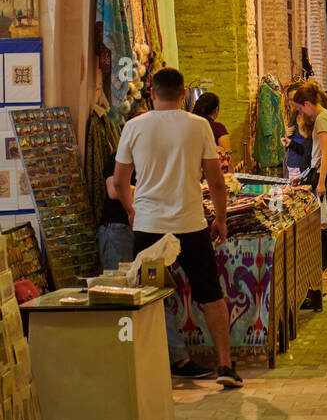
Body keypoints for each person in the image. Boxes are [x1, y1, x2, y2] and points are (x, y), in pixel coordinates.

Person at [114, 66, 242, 388]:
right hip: (190, 224)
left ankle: (147, 367)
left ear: (152, 93)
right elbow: (216, 181)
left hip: (149, 226)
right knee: (211, 295)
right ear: (184, 94)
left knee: (147, 296)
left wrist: (132, 209)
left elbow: (119, 181)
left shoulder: (134, 126)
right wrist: (222, 218)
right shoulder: (199, 126)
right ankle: (225, 365)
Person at [98, 137, 213, 379]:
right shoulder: (120, 157)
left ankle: (177, 359)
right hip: (119, 231)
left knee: (156, 293)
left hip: (147, 233)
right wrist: (151, 192)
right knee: (120, 296)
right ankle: (123, 362)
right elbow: (114, 188)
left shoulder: (154, 160)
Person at [292, 82, 327, 282]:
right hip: (326, 172)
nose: (301, 113)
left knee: (326, 222)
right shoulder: (323, 118)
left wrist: (321, 182)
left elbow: (325, 152)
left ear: (307, 103)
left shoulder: (323, 119)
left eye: (300, 109)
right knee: (325, 220)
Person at [192, 91, 231, 170]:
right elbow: (227, 158)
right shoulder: (218, 128)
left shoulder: (189, 125)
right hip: (211, 173)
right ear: (216, 110)